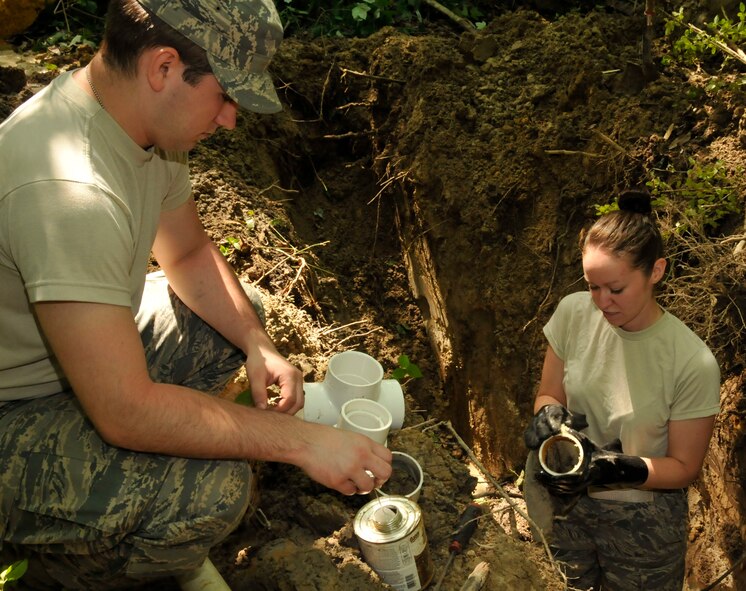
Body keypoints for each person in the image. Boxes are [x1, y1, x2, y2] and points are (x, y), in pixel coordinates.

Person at [0, 0, 392, 588]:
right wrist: (303, 442)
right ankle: (78, 568)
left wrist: (257, 343)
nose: (231, 119)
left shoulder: (141, 128)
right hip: (12, 413)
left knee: (234, 322)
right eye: (226, 95)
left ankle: (138, 511)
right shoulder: (70, 190)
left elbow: (184, 253)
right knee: (212, 491)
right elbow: (124, 413)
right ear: (163, 68)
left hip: (70, 368)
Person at [522, 190, 721, 590]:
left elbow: (684, 467)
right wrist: (547, 415)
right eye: (593, 287)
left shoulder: (690, 362)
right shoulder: (573, 313)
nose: (602, 302)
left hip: (642, 521)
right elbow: (549, 394)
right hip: (563, 503)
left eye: (615, 289)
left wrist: (615, 467)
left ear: (656, 271)